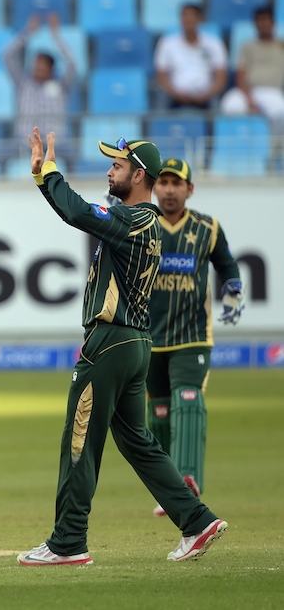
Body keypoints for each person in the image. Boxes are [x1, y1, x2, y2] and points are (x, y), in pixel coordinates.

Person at [17, 127, 227, 566]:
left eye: (117, 165)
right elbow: (79, 212)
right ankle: (195, 520)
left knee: (80, 440)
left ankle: (68, 542)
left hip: (110, 343)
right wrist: (44, 179)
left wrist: (48, 173)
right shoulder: (142, 222)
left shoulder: (133, 221)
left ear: (139, 176)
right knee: (138, 441)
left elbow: (76, 212)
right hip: (135, 345)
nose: (110, 171)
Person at [146, 158, 244, 518]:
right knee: (158, 414)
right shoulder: (142, 223)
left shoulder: (207, 227)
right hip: (148, 336)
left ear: (190, 189)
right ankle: (166, 490)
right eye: (164, 182)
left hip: (192, 336)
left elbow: (227, 264)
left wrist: (232, 289)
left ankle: (187, 477)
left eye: (177, 183)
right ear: (155, 187)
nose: (170, 189)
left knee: (187, 399)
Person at [4, 13, 76, 160]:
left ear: (51, 69)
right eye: (36, 64)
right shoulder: (23, 83)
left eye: (42, 66)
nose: (37, 68)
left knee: (73, 156)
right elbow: (7, 56)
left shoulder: (61, 85)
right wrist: (26, 33)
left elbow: (72, 64)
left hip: (56, 146)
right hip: (25, 144)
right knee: (3, 156)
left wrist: (56, 36)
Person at [219, 5, 284, 133]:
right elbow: (240, 75)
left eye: (265, 20)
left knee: (281, 112)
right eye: (259, 20)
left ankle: (275, 149)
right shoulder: (247, 47)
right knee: (230, 107)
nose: (262, 24)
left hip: (273, 92)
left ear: (273, 22)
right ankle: (237, 147)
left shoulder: (281, 47)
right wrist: (249, 99)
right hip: (247, 92)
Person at [154, 3, 228, 110]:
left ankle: (216, 126)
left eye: (192, 16)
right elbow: (161, 77)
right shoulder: (167, 43)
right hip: (175, 95)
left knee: (216, 102)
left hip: (205, 95)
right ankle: (160, 126)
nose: (188, 19)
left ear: (200, 19)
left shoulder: (214, 44)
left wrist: (206, 95)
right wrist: (177, 94)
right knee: (162, 97)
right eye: (184, 15)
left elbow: (220, 78)